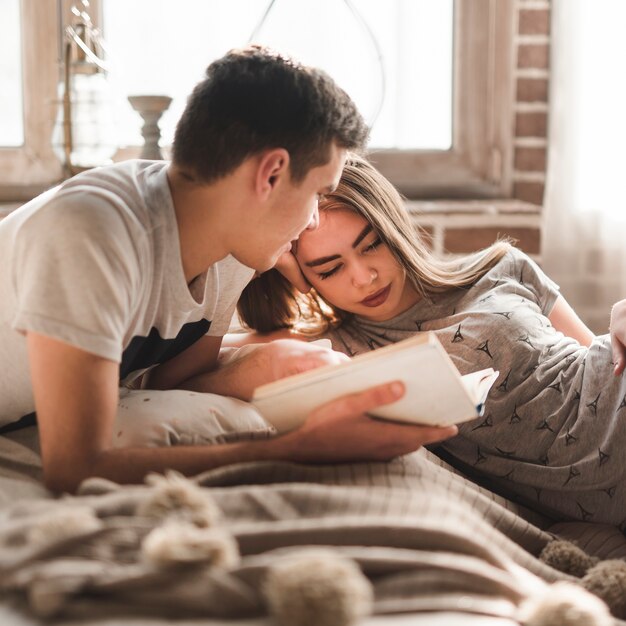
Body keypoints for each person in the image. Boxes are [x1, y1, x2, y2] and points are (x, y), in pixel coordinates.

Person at [0, 47, 457, 494]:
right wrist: (298, 449)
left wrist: (262, 360)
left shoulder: (227, 248)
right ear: (271, 174)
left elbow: (172, 384)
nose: (313, 218)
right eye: (318, 192)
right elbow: (76, 468)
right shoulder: (90, 233)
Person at [233, 153, 626, 527]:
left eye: (371, 244)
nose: (363, 276)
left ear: (393, 228)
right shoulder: (332, 351)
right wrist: (272, 257)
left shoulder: (501, 266)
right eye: (329, 269)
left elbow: (597, 353)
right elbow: (189, 364)